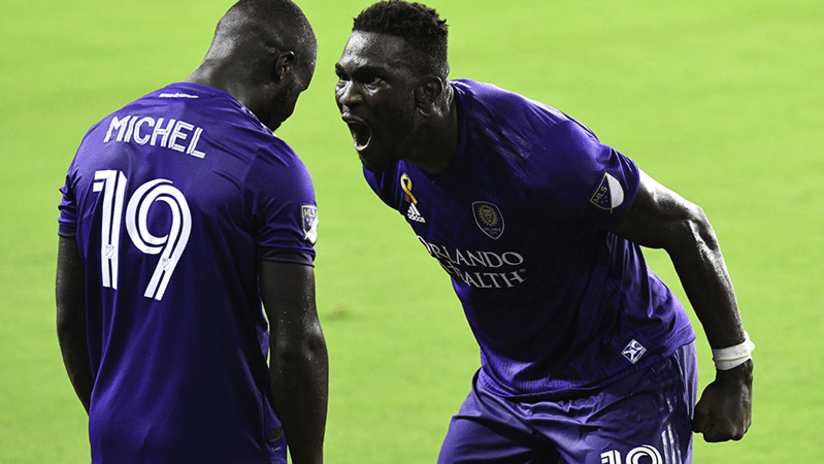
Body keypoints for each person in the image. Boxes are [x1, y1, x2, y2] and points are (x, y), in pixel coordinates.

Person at [333, 1, 753, 463]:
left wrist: (735, 371)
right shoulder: (388, 164)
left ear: (428, 93)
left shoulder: (544, 157)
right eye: (343, 77)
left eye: (370, 80)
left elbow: (684, 225)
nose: (347, 96)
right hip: (508, 393)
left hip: (623, 381)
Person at [56, 1, 327, 463]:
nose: (289, 111)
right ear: (284, 69)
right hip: (226, 446)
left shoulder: (98, 141)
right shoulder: (266, 164)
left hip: (114, 439)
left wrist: (110, 415)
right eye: (299, 90)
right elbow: (296, 347)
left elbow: (70, 317)